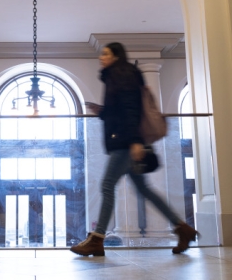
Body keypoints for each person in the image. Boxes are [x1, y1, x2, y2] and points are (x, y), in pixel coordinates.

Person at [70, 42, 198, 257]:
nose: (101, 57)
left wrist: (136, 141)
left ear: (116, 56)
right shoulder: (117, 74)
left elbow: (131, 108)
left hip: (125, 142)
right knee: (144, 189)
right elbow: (119, 109)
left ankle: (97, 239)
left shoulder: (121, 74)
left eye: (106, 53)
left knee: (108, 185)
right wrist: (101, 111)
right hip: (125, 139)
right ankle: (182, 229)